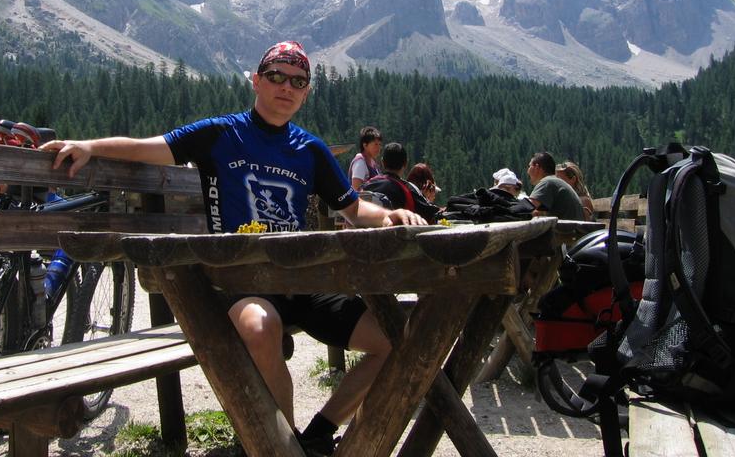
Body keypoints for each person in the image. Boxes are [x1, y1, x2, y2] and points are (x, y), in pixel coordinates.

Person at [42, 41, 426, 456]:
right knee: (261, 328)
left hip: (302, 282)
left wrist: (389, 216)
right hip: (243, 283)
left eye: (299, 81)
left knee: (395, 340)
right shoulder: (221, 134)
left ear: (307, 92)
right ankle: (282, 446)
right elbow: (148, 147)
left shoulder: (310, 149)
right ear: (256, 81)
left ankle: (317, 433)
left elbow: (352, 209)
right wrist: (92, 147)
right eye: (277, 76)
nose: (287, 87)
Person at [362, 143, 441, 223]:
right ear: (405, 163)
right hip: (395, 234)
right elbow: (431, 214)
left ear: (383, 162)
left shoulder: (366, 186)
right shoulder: (408, 189)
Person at [526, 152, 585, 221]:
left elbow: (527, 207)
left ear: (537, 167)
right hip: (573, 229)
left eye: (529, 166)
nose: (528, 171)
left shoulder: (547, 182)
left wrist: (511, 209)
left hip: (566, 230)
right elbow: (537, 210)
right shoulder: (554, 182)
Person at [348, 126, 382, 191]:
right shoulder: (360, 162)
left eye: (380, 144)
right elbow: (356, 189)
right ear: (365, 145)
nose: (378, 148)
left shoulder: (373, 163)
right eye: (375, 144)